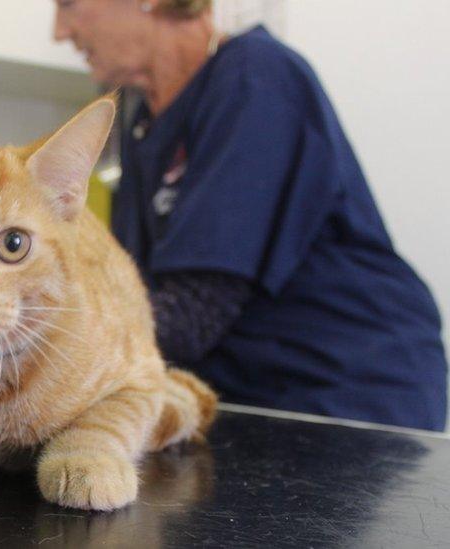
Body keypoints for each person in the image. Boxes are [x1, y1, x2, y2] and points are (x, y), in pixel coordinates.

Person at [53, 0, 448, 430]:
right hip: (245, 398)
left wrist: (37, 347)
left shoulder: (255, 77)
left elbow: (193, 313)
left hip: (348, 390)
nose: (59, 31)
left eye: (68, 4)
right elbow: (131, 292)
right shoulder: (140, 127)